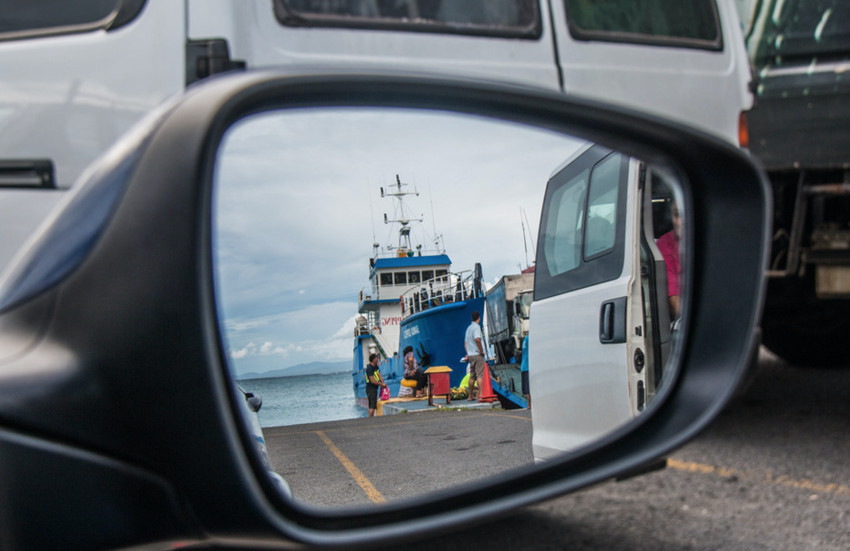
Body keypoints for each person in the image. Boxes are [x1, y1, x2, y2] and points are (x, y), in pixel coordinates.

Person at [655, 202, 682, 320]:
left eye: (689, 212)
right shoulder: (666, 244)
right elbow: (675, 302)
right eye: (677, 215)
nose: (682, 221)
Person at [463, 311, 486, 401]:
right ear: (479, 318)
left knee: (472, 376)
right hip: (477, 354)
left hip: (471, 355)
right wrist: (481, 351)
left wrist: (468, 353)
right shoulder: (477, 327)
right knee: (480, 375)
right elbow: (477, 339)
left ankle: (470, 396)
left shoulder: (468, 328)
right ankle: (481, 395)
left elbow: (465, 342)